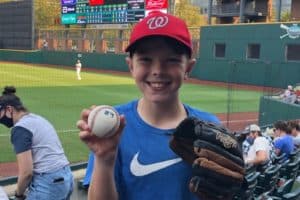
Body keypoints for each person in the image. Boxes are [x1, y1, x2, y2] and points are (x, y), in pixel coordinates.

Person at [77, 11, 220, 200]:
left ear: (188, 68)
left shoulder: (210, 129)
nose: (157, 70)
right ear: (131, 66)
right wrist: (104, 159)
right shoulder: (115, 126)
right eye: (145, 59)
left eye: (172, 60)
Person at [0, 86, 74, 200]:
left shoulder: (20, 129)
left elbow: (26, 173)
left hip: (49, 184)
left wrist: (19, 194)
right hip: (67, 177)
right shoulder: (38, 119)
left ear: (9, 109)